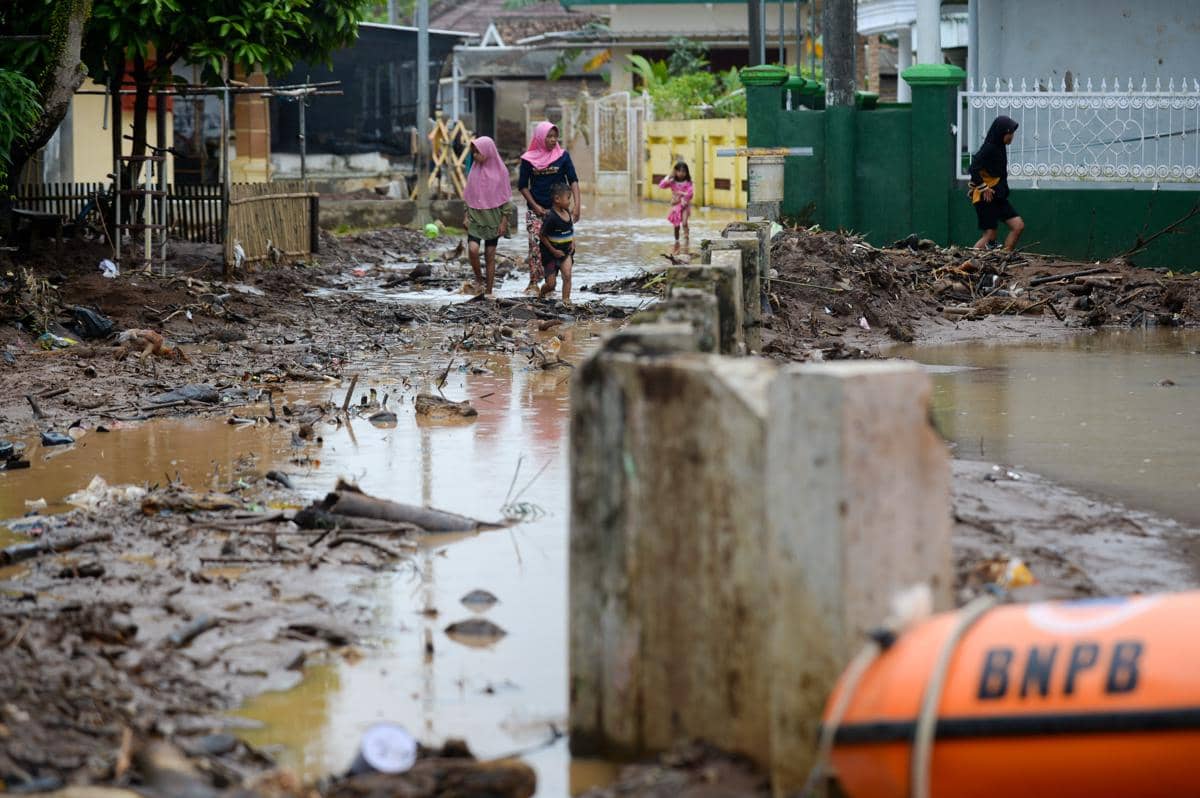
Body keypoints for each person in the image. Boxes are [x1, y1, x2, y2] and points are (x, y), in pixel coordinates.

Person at [518, 121, 580, 293]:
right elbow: (523, 186)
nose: (553, 140)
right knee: (536, 243)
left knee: (561, 241)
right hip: (536, 209)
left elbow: (573, 180)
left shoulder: (563, 156)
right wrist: (536, 206)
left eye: (555, 136)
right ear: (539, 138)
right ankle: (533, 282)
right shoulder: (528, 159)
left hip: (558, 211)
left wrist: (577, 206)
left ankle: (552, 279)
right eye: (549, 136)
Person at [462, 136, 513, 297]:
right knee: (473, 249)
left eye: (479, 152)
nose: (476, 156)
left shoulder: (501, 171)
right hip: (475, 217)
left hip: (494, 219)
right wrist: (465, 215)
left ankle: (489, 292)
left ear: (488, 151)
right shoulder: (474, 170)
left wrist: (504, 221)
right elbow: (469, 194)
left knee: (490, 255)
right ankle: (479, 279)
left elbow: (506, 198)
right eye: (474, 153)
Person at [969, 115, 1025, 251]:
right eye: (1009, 133)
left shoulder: (999, 146)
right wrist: (983, 187)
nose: (1012, 136)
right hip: (986, 198)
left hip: (998, 197)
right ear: (1002, 133)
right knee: (989, 237)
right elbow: (973, 167)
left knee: (1018, 226)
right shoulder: (990, 147)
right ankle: (969, 263)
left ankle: (1004, 258)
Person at [538, 183, 575, 305]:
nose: (570, 201)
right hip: (550, 254)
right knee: (551, 284)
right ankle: (541, 295)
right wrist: (553, 251)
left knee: (567, 275)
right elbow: (542, 235)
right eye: (568, 198)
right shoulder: (551, 217)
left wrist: (573, 242)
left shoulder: (567, 212)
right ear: (557, 199)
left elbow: (570, 228)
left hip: (565, 252)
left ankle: (566, 302)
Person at [658, 161, 695, 254]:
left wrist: (683, 197)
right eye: (679, 171)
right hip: (676, 206)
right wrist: (669, 176)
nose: (681, 173)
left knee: (685, 222)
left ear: (687, 172)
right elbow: (661, 185)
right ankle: (677, 242)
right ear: (676, 172)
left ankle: (686, 239)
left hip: (685, 205)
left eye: (684, 171)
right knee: (677, 225)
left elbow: (690, 193)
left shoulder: (688, 182)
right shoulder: (672, 182)